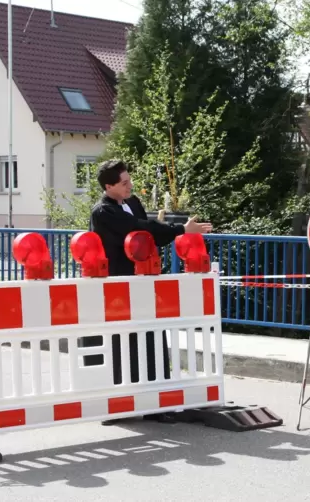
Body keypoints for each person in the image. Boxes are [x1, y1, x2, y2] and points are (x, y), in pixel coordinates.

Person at [87, 159, 212, 425]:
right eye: (124, 183)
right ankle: (120, 404)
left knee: (153, 338)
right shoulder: (103, 211)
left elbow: (148, 231)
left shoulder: (132, 203)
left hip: (145, 279)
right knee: (123, 343)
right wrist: (180, 230)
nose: (130, 185)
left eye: (129, 180)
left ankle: (157, 403)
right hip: (119, 284)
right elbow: (140, 229)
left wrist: (172, 230)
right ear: (109, 186)